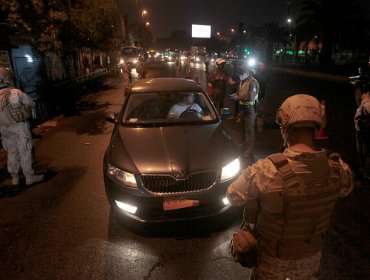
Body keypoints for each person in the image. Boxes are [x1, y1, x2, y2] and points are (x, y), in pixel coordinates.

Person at [226, 94, 354, 280]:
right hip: (311, 264)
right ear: (317, 128)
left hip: (271, 267)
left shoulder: (266, 170)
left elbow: (232, 196)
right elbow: (345, 189)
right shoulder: (338, 170)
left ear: (285, 127)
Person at [0, 67, 44, 186]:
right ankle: (29, 177)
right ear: (7, 79)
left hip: (3, 128)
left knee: (12, 152)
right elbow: (31, 103)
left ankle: (15, 178)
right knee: (25, 150)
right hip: (19, 126)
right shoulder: (15, 92)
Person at [230, 68, 259, 166]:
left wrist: (237, 98)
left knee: (249, 131)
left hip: (250, 109)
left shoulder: (253, 82)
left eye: (241, 74)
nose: (240, 76)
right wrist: (235, 94)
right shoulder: (243, 81)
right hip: (242, 108)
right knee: (242, 129)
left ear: (247, 73)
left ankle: (249, 152)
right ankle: (242, 147)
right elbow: (239, 92)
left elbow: (250, 97)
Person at [354, 89, 370, 181]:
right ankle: (362, 171)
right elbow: (358, 102)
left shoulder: (367, 102)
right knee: (361, 152)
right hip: (361, 130)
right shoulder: (365, 101)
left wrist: (366, 100)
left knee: (367, 154)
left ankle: (366, 175)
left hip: (366, 131)